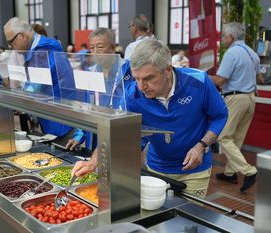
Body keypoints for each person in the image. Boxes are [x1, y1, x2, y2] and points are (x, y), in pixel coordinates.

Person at [72, 39, 228, 198]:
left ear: (167, 70)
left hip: (195, 171)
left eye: (148, 78)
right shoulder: (132, 95)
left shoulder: (199, 81)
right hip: (157, 168)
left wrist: (201, 145)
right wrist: (93, 161)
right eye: (136, 79)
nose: (141, 86)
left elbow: (220, 116)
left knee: (190, 219)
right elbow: (116, 131)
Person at [3, 17, 83, 143]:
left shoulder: (44, 51)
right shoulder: (36, 50)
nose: (10, 47)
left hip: (61, 122)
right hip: (52, 117)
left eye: (11, 42)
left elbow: (35, 86)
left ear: (22, 36)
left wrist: (15, 100)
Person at [210, 22, 263, 193]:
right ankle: (230, 173)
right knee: (237, 138)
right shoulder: (253, 54)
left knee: (223, 136)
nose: (222, 40)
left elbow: (219, 80)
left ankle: (249, 171)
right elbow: (260, 79)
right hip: (250, 99)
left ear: (231, 37)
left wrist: (201, 75)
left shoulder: (232, 53)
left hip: (235, 98)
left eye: (223, 37)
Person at [66, 28, 134, 150]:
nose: (95, 52)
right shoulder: (90, 72)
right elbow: (85, 107)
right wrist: (79, 135)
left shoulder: (129, 70)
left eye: (100, 47)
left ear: (113, 48)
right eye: (92, 48)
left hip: (121, 131)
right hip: (96, 132)